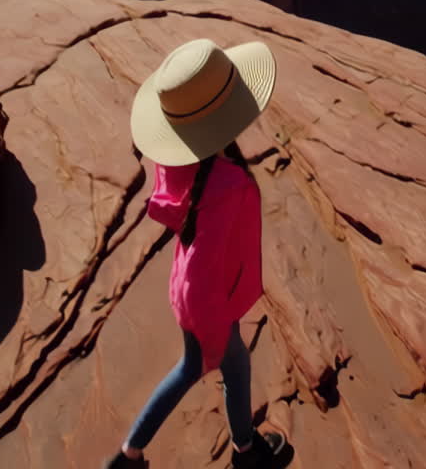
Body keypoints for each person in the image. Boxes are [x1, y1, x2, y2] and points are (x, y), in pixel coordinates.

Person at [104, 36, 293, 469]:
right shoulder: (227, 188)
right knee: (205, 367)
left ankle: (132, 456)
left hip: (191, 290)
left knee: (231, 367)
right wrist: (213, 329)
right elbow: (206, 269)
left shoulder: (179, 164)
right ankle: (241, 454)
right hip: (208, 302)